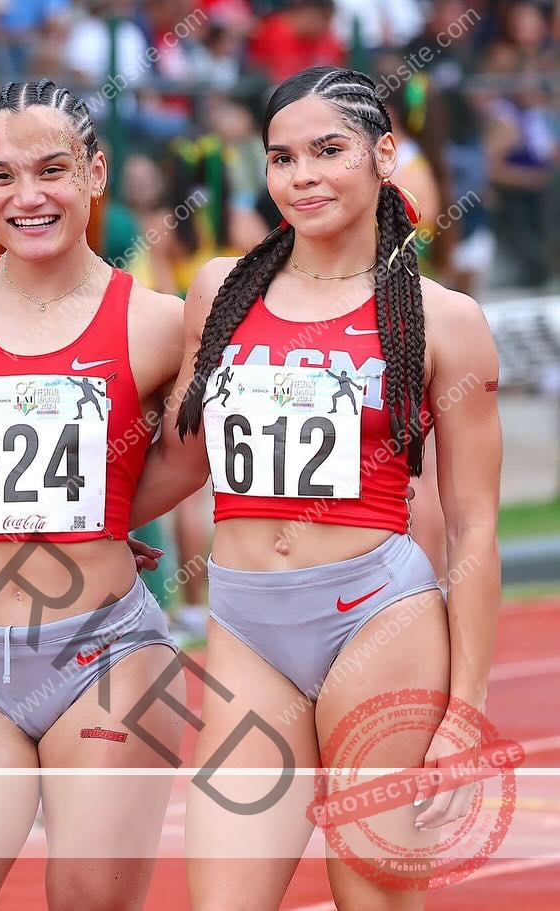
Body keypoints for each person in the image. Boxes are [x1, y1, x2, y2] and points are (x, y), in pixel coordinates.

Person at [131, 65, 502, 908]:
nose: (303, 177)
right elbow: (185, 456)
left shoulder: (446, 320)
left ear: (383, 153)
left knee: (370, 894)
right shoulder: (220, 292)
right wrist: (101, 517)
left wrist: (464, 712)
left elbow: (476, 525)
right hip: (246, 629)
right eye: (282, 158)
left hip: (379, 620)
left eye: (328, 151)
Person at [0, 79, 184, 911]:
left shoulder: (158, 320)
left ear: (95, 173)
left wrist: (108, 509)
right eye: (0, 177)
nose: (28, 197)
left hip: (108, 657)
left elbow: (195, 454)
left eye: (51, 171)